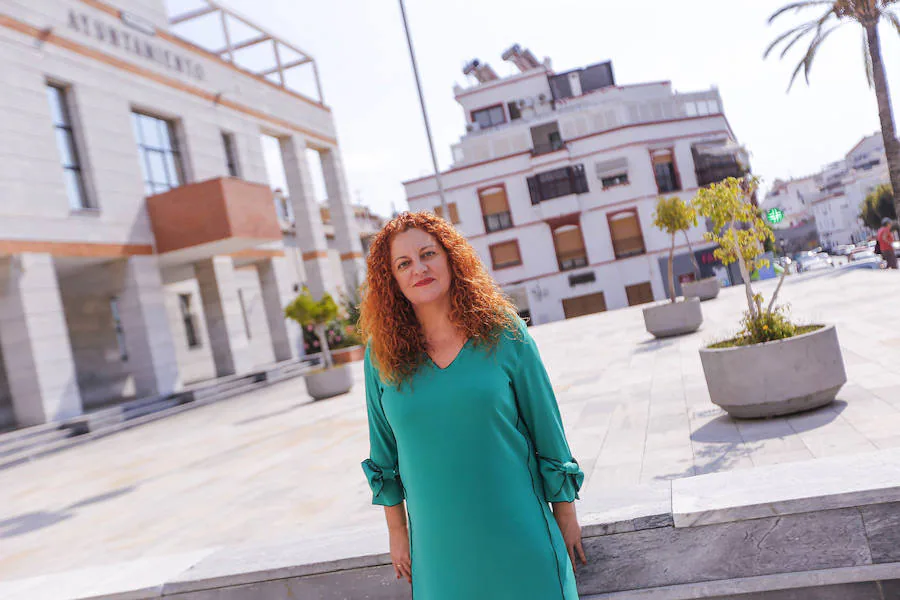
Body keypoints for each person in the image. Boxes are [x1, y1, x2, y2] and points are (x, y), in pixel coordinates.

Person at [358, 212, 585, 599]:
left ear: (450, 257)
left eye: (428, 254)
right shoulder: (380, 359)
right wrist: (398, 533)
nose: (420, 268)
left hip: (522, 539)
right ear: (392, 280)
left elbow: (549, 433)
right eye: (404, 263)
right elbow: (384, 458)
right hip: (438, 556)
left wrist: (566, 517)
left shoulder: (505, 333)